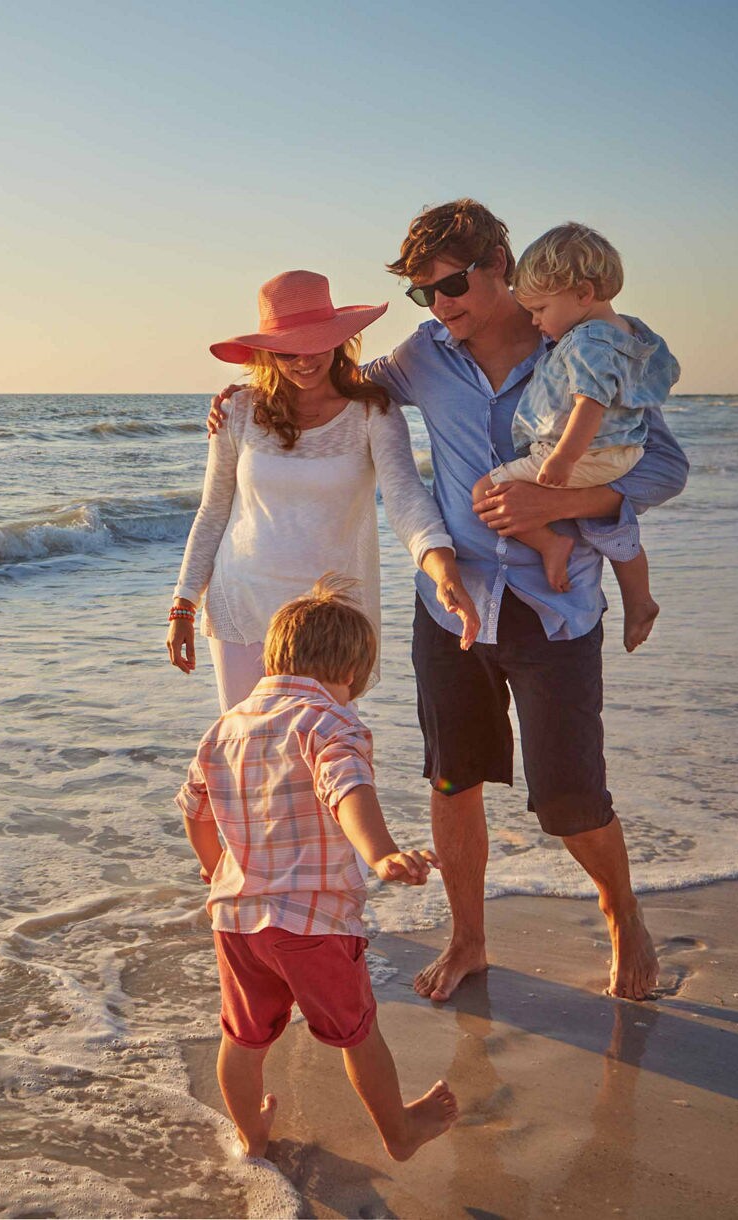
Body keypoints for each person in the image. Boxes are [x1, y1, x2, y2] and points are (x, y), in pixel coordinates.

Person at [209, 201, 689, 1002]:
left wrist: (559, 507)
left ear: (500, 264)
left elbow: (665, 469)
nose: (442, 308)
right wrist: (248, 397)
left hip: (555, 605)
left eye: (454, 286)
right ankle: (468, 940)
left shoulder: (578, 344)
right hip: (452, 607)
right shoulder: (423, 355)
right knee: (451, 780)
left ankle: (622, 912)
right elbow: (331, 382)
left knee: (569, 801)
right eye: (425, 295)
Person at [176, 575, 460, 1160]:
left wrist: (213, 870)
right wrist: (380, 853)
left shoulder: (224, 727)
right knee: (357, 1034)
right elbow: (346, 786)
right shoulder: (329, 721)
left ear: (274, 656)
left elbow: (196, 810)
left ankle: (250, 1133)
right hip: (314, 924)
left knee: (243, 1036)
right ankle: (399, 1133)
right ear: (351, 675)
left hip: (235, 919)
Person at [167, 269, 478, 713]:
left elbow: (406, 497)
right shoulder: (237, 411)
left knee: (328, 756)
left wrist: (442, 568)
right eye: (288, 350)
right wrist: (184, 603)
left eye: (316, 343)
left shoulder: (373, 412)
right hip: (243, 604)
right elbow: (213, 511)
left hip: (331, 619)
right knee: (250, 758)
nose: (304, 360)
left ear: (338, 339)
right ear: (267, 353)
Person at [470, 223, 680, 652]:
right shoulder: (633, 339)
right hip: (625, 450)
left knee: (484, 491)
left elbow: (589, 403)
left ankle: (550, 543)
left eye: (541, 309)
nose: (535, 321)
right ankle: (639, 599)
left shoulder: (586, 342)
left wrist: (563, 458)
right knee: (606, 525)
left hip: (580, 452)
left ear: (583, 295)